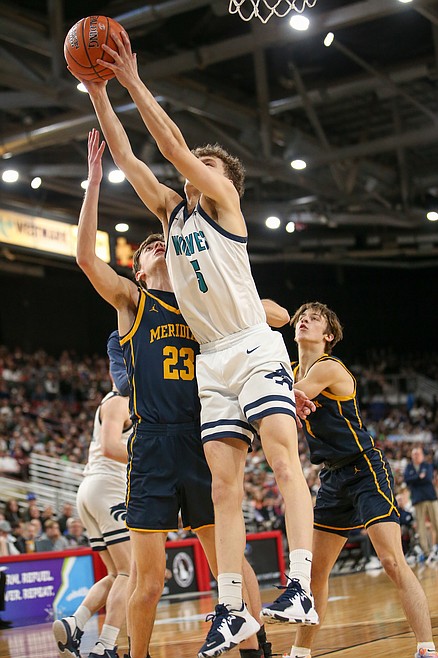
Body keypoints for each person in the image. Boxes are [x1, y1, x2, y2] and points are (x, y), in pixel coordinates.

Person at [77, 29, 319, 658]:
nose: (192, 171)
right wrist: (99, 93)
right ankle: (235, 609)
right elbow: (133, 158)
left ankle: (297, 581)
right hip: (212, 362)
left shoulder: (224, 203)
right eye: (196, 169)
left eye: (205, 167)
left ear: (220, 179)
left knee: (280, 454)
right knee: (223, 486)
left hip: (249, 345)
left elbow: (171, 145)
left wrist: (131, 79)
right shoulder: (170, 216)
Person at [72, 129, 274, 658]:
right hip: (154, 446)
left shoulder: (197, 301)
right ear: (138, 269)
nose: (156, 245)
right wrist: (93, 185)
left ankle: (257, 647)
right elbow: (88, 262)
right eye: (146, 249)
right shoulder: (131, 302)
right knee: (149, 581)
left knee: (229, 562)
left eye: (160, 241)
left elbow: (259, 309)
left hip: (204, 435)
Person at [288, 301, 437, 658]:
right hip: (333, 477)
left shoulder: (328, 367)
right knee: (315, 574)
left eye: (315, 318)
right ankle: (300, 652)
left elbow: (293, 394)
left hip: (364, 468)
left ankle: (426, 648)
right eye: (301, 317)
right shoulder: (291, 370)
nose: (304, 320)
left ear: (328, 336)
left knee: (391, 562)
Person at [53, 359, 132, 658]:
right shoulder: (118, 401)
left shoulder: (119, 402)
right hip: (106, 487)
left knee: (115, 573)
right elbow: (112, 447)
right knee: (130, 573)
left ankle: (76, 623)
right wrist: (148, 461)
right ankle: (105, 645)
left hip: (93, 489)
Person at [404, 446, 438, 561]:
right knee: (421, 528)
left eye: (418, 453)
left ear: (422, 455)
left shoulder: (427, 465)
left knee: (437, 523)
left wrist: (416, 479)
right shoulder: (408, 467)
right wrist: (419, 477)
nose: (416, 456)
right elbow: (407, 480)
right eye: (414, 454)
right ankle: (427, 552)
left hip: (431, 498)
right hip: (418, 500)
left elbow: (428, 478)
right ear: (412, 456)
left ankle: (435, 549)